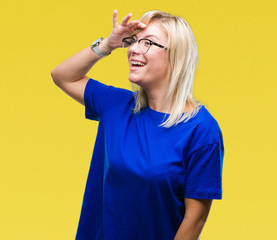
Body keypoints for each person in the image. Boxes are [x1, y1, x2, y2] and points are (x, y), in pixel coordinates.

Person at [51, 9, 224, 240]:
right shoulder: (116, 105)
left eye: (148, 43)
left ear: (176, 56)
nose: (133, 49)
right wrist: (107, 45)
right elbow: (62, 75)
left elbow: (195, 219)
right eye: (134, 41)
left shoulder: (201, 129)